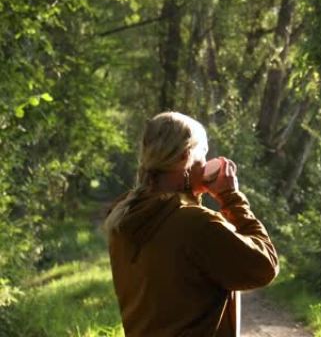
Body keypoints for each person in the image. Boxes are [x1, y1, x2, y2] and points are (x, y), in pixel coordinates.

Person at [103, 112, 279, 337]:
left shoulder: (124, 215)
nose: (205, 162)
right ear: (186, 157)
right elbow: (265, 266)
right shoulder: (196, 224)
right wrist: (231, 197)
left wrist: (193, 193)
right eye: (203, 153)